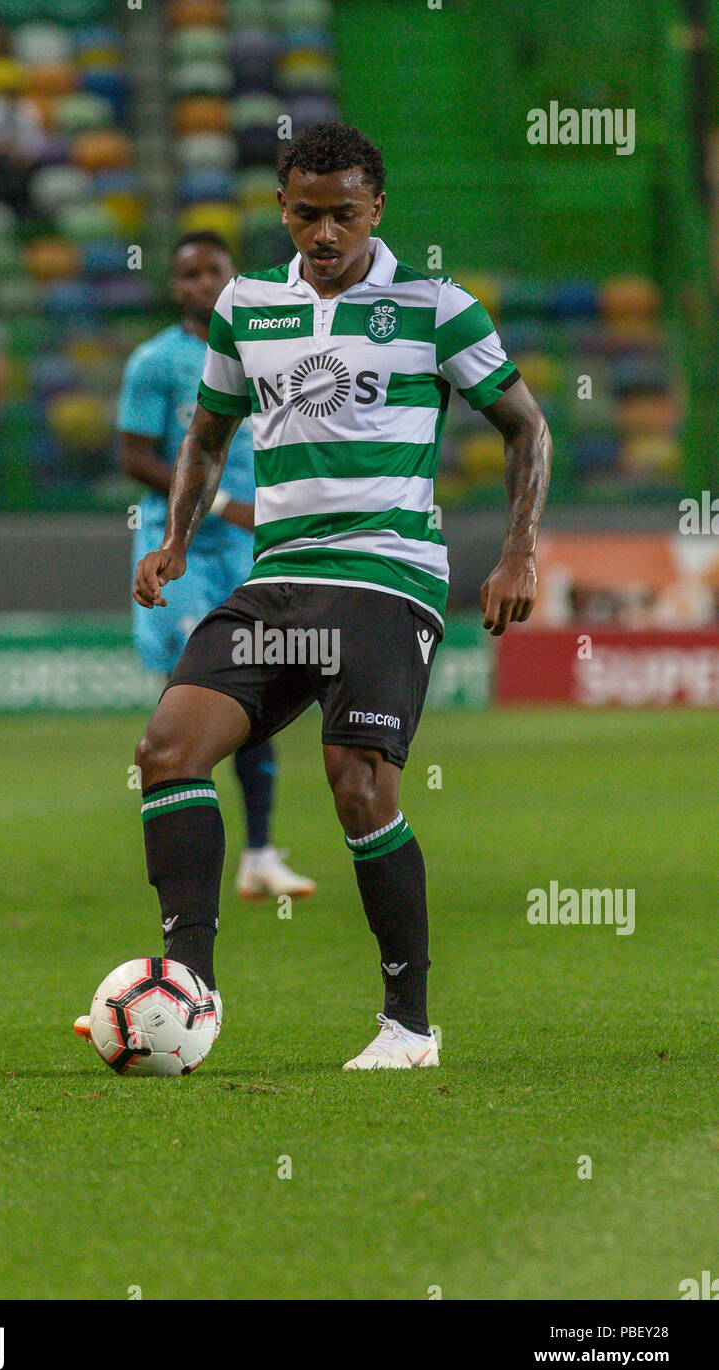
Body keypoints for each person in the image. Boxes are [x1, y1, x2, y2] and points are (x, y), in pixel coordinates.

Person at [131, 123, 551, 1067]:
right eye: (307, 214)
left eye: (345, 216)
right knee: (166, 749)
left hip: (387, 576)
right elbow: (205, 435)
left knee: (358, 786)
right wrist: (174, 541)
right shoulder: (247, 308)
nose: (325, 234)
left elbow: (528, 429)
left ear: (378, 210)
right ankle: (186, 992)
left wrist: (518, 549)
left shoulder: (436, 307)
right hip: (277, 581)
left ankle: (409, 1026)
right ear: (283, 210)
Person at [117, 231, 315, 902]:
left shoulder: (265, 356)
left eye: (214, 270)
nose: (203, 282)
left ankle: (257, 853)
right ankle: (187, 868)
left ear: (234, 277)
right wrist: (225, 502)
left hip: (246, 552)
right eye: (190, 272)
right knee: (203, 694)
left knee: (251, 696)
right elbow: (135, 456)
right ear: (176, 286)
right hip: (179, 553)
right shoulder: (154, 362)